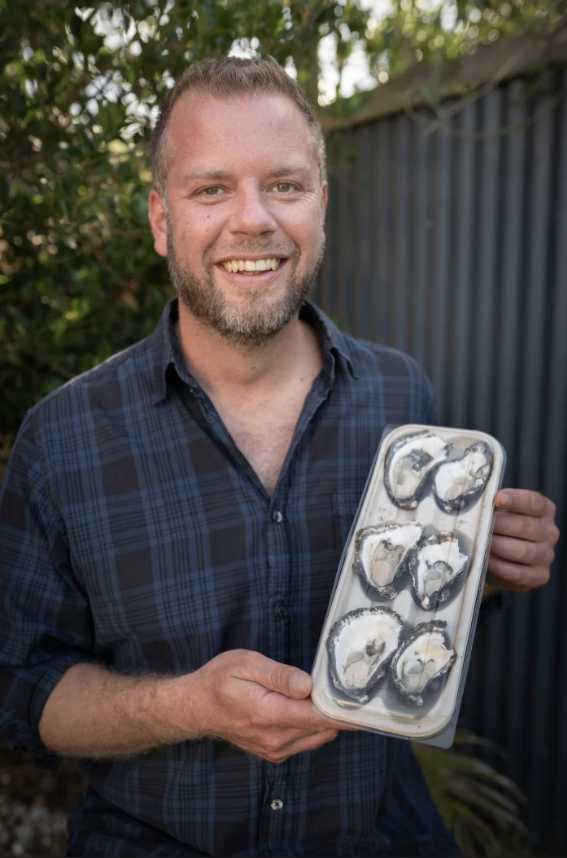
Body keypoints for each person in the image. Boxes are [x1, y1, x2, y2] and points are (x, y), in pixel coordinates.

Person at [0, 56, 559, 858]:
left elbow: (427, 603)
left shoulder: (402, 399)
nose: (253, 219)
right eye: (210, 188)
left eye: (285, 186)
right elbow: (21, 684)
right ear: (161, 219)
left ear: (321, 207)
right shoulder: (63, 442)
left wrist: (490, 565)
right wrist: (187, 706)